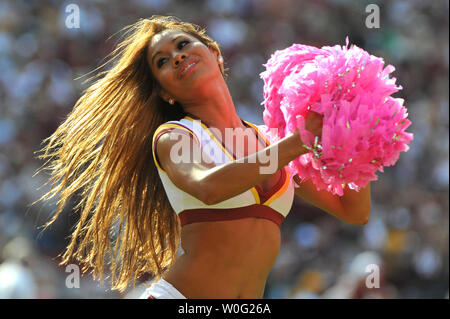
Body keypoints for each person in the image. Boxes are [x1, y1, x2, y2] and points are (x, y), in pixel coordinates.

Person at [33, 15, 371, 299]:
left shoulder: (271, 142)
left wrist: (350, 135)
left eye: (182, 45)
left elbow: (353, 211)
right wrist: (300, 142)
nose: (176, 57)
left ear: (215, 53)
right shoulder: (176, 137)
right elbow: (208, 187)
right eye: (162, 62)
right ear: (165, 92)